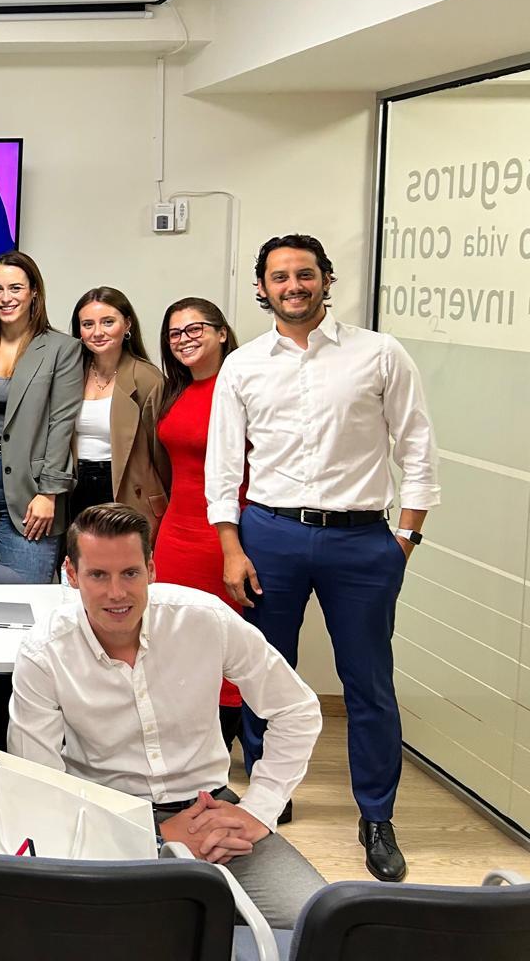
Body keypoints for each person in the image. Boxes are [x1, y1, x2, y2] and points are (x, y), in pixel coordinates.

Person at [208, 234, 439, 882]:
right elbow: (224, 466)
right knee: (265, 673)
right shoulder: (243, 365)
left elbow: (417, 445)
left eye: (305, 274)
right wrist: (231, 546)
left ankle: (377, 816)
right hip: (270, 535)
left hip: (362, 540)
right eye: (280, 277)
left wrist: (407, 538)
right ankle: (269, 793)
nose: (294, 286)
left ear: (326, 280)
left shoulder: (379, 353)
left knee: (369, 684)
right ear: (262, 288)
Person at [8, 502, 325, 930]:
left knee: (315, 923)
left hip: (211, 812)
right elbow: (39, 783)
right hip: (103, 823)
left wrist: (258, 809)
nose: (116, 593)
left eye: (130, 573)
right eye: (98, 575)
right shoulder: (44, 651)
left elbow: (296, 708)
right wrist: (154, 836)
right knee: (102, 935)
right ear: (71, 574)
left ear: (152, 569)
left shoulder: (204, 619)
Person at [151, 297, 245, 750]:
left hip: (224, 534)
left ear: (222, 333)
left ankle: (224, 746)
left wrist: (235, 544)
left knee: (226, 638)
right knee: (175, 636)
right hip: (176, 532)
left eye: (195, 329)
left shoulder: (241, 387)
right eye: (175, 333)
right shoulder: (175, 390)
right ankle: (185, 742)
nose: (184, 340)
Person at [0, 251, 82, 581]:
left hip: (32, 490)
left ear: (34, 292)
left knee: (24, 596)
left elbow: (61, 423)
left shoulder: (62, 349)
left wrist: (49, 493)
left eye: (15, 288)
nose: (6, 298)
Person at [66, 286, 166, 535]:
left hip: (125, 490)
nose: (97, 332)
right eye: (88, 324)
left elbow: (162, 456)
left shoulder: (147, 378)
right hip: (76, 488)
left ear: (127, 324)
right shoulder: (70, 374)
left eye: (108, 322)